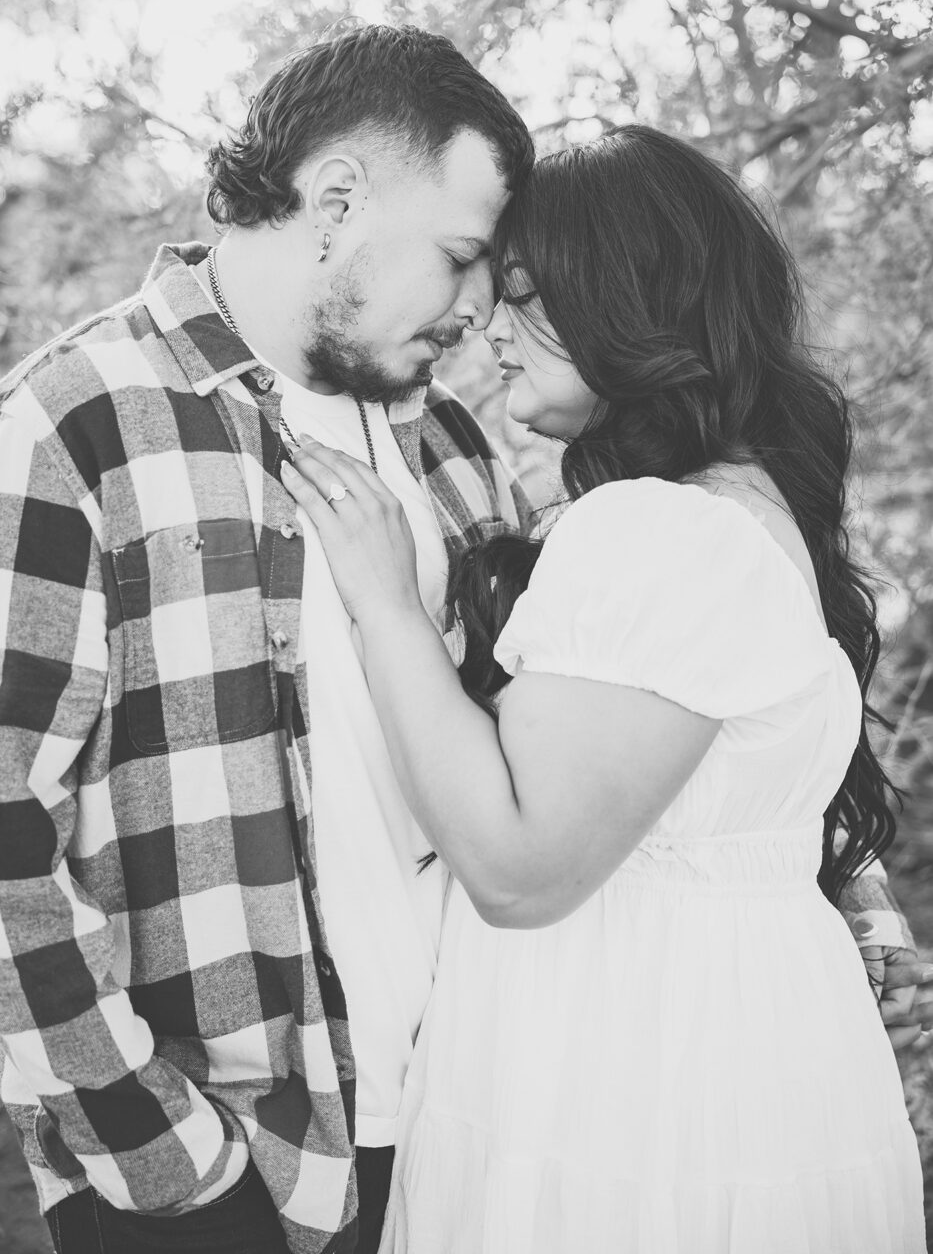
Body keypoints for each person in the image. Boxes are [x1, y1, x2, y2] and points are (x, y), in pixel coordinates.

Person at [282, 126, 928, 1252]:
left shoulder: (659, 528)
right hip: (743, 1054)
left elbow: (521, 868)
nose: (486, 325)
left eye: (525, 294)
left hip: (632, 1078)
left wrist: (387, 605)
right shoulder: (748, 507)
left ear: (633, 305)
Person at [0, 24, 534, 1254]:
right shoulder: (72, 425)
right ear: (338, 197)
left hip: (473, 1128)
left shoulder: (453, 448)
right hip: (221, 1177)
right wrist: (160, 1153)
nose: (472, 309)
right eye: (459, 257)